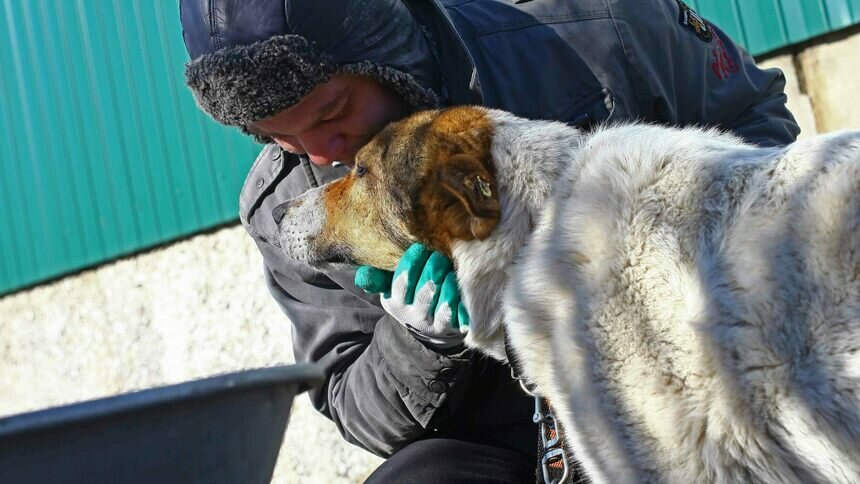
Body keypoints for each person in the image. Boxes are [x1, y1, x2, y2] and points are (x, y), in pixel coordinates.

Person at [180, 0, 799, 481]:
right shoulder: (285, 211)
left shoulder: (589, 30)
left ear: (380, 47)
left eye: (330, 112)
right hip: (508, 434)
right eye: (279, 137)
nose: (322, 155)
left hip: (691, 369)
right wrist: (420, 341)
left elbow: (756, 123)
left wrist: (687, 270)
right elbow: (350, 400)